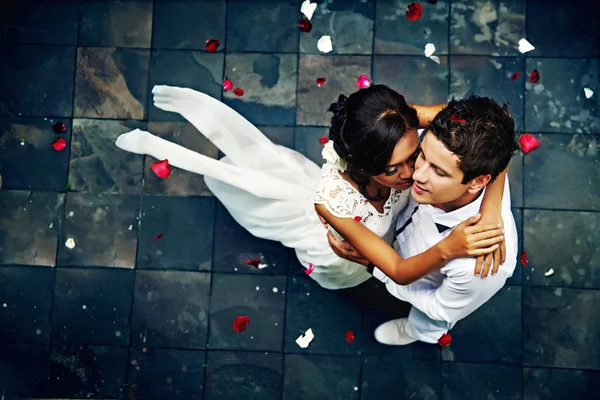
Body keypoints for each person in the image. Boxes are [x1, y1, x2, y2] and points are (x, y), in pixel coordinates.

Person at [114, 85, 505, 290]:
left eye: (415, 154)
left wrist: (490, 211)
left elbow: (493, 132)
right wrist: (450, 247)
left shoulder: (402, 121)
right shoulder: (332, 205)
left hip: (390, 230)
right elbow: (399, 271)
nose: (412, 174)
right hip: (351, 247)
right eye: (392, 169)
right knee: (346, 270)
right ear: (361, 165)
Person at [327, 95, 519, 345]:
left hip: (423, 290)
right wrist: (491, 205)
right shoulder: (455, 150)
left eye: (438, 171)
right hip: (401, 245)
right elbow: (502, 121)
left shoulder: (480, 265)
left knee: (428, 323)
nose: (416, 174)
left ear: (480, 180)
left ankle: (416, 333)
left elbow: (440, 308)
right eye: (421, 154)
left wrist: (374, 266)